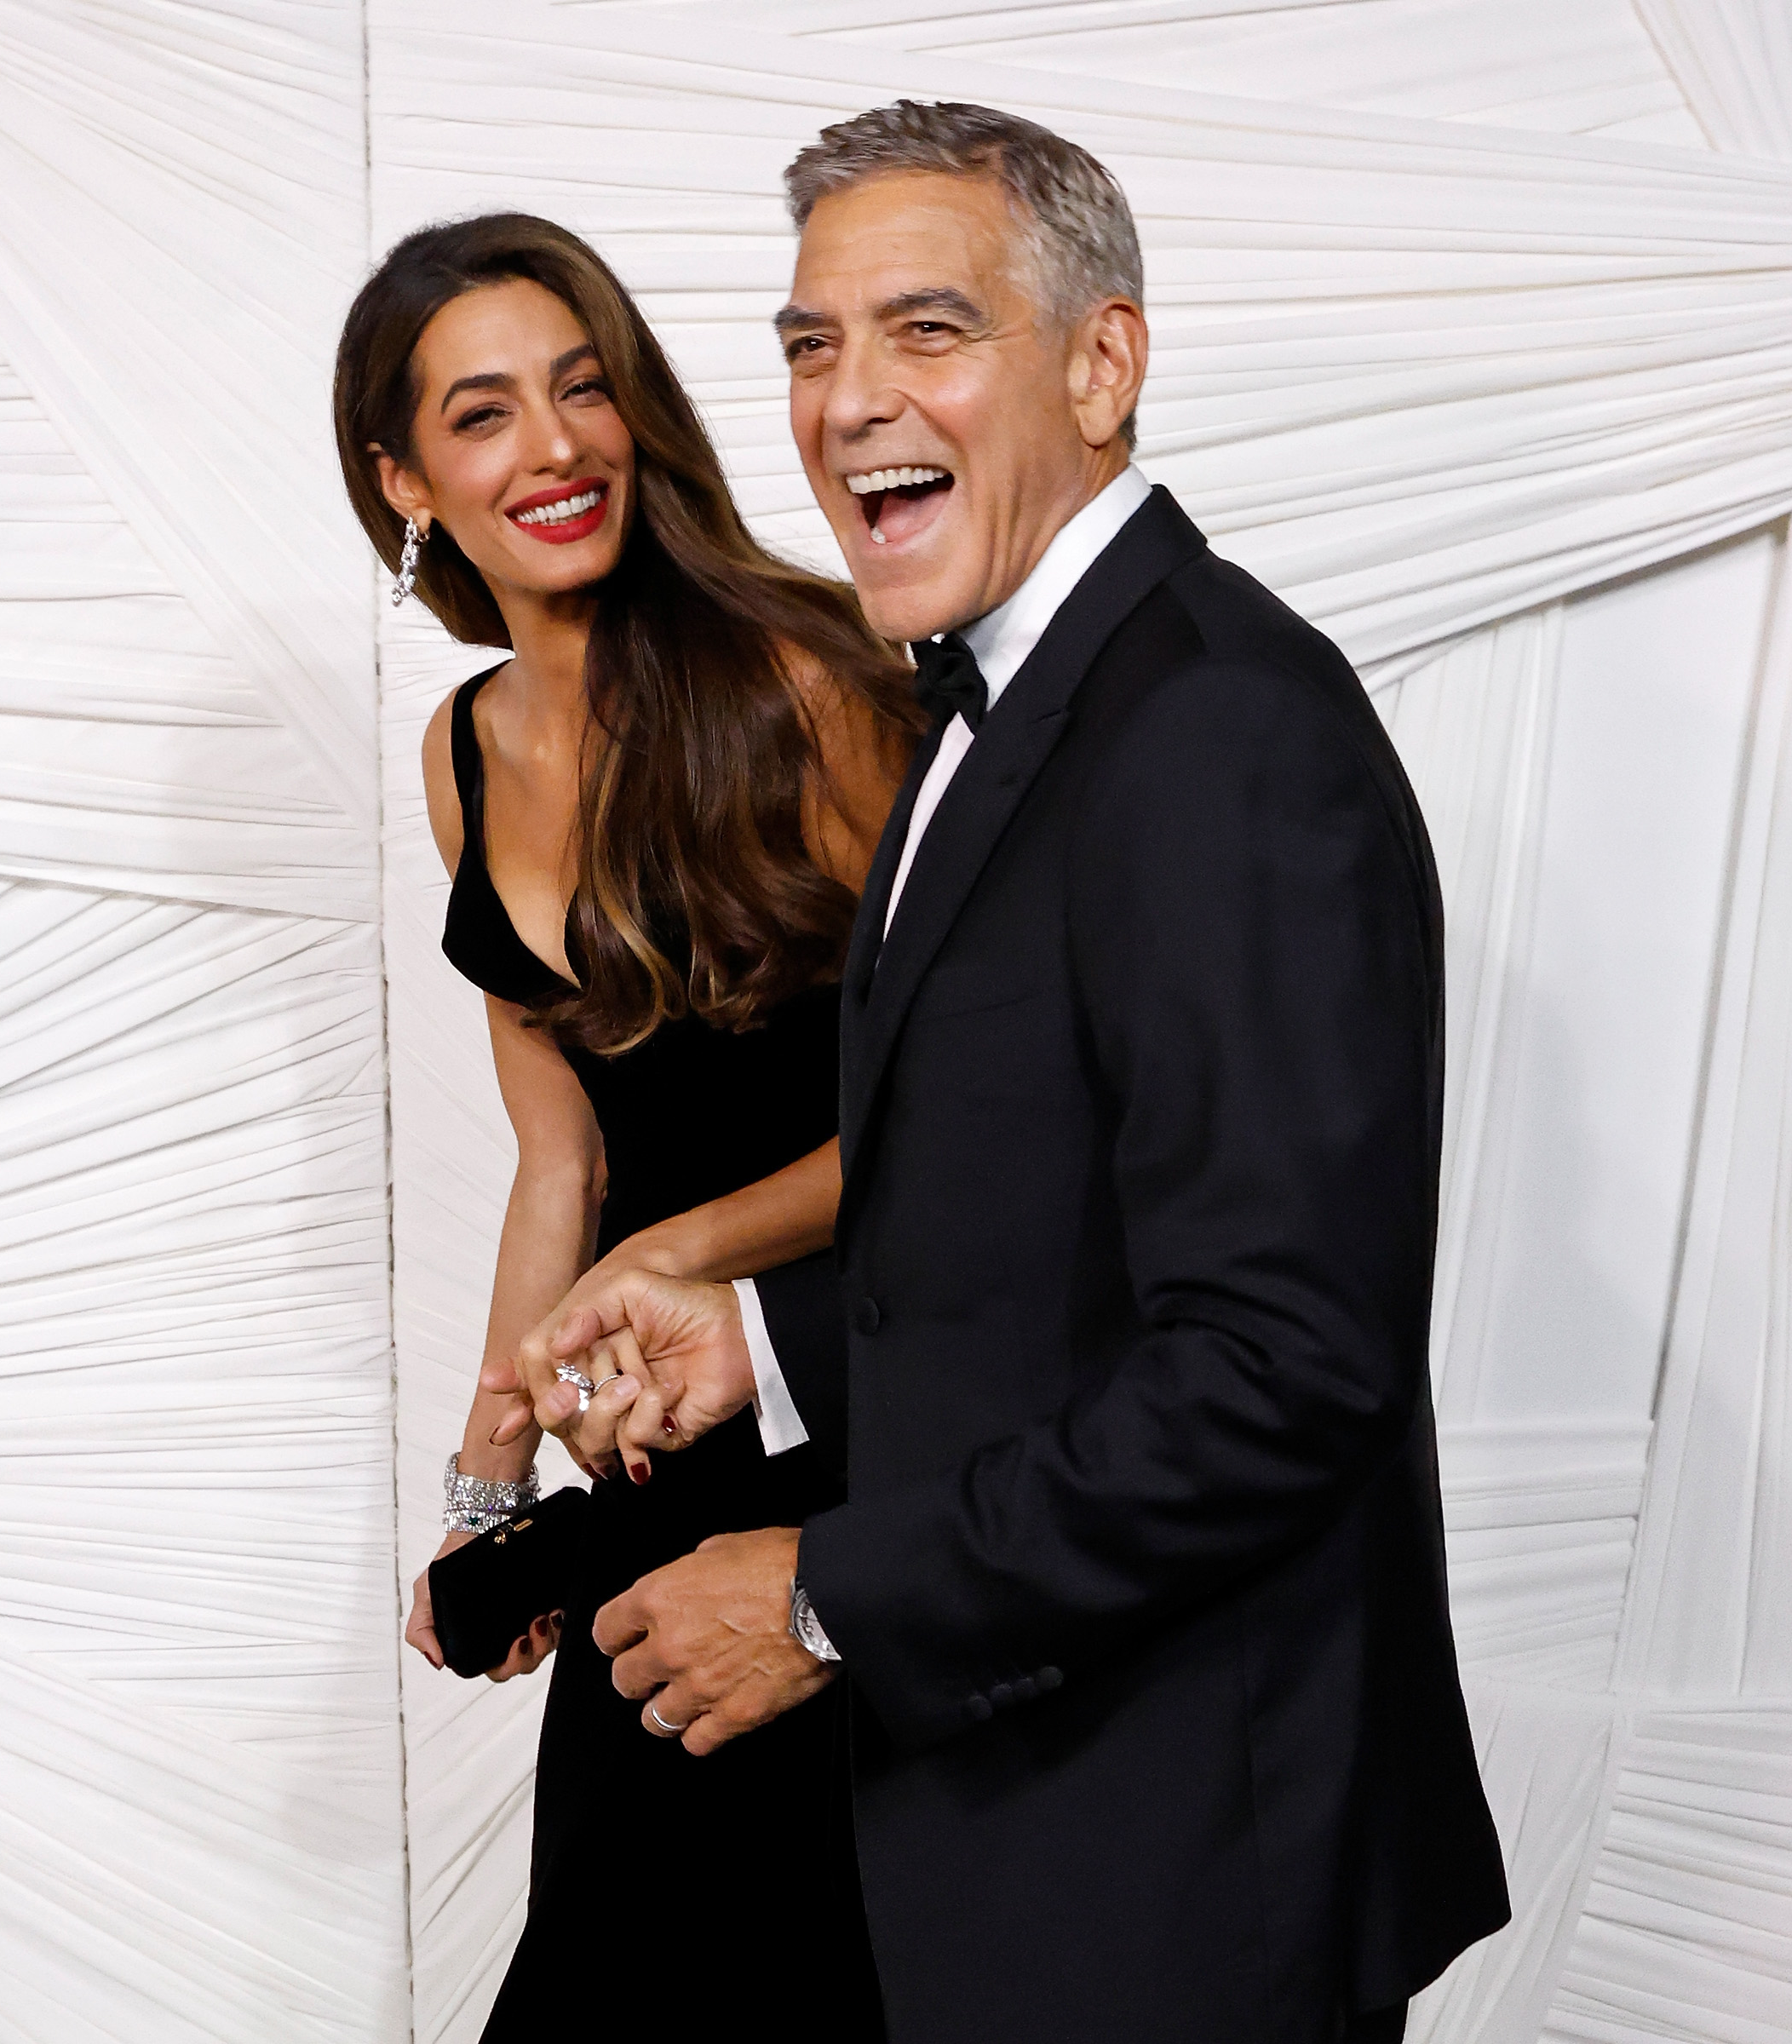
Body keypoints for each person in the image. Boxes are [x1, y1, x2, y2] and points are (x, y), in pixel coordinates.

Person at [495, 104, 1512, 2042]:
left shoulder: (1215, 729)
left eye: (926, 332)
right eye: (812, 345)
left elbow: (1280, 1372)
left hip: (1180, 1870)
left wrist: (819, 1597)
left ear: (1104, 364)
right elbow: (1047, 1240)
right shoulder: (1007, 687)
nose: (848, 399)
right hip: (1034, 1837)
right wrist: (772, 1347)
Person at [331, 213, 913, 2037]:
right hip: (657, 1467)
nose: (556, 447)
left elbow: (967, 1125)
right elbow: (562, 1157)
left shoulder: (804, 680)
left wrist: (685, 1258)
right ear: (405, 475)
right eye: (485, 413)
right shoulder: (460, 747)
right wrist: (492, 1487)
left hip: (873, 1416)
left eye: (583, 388)